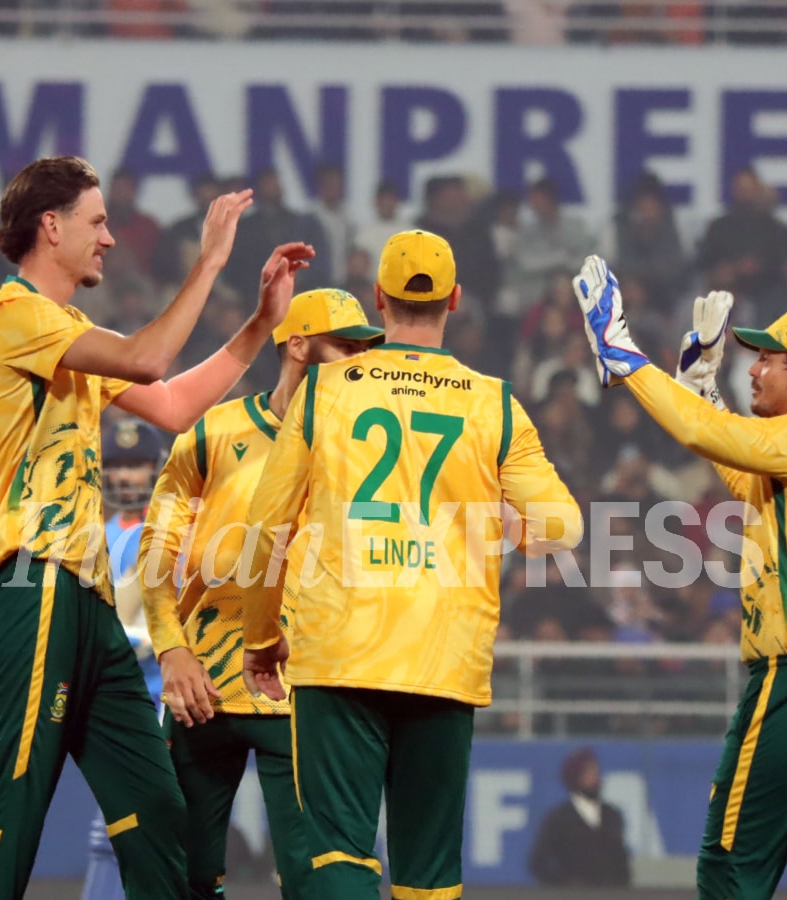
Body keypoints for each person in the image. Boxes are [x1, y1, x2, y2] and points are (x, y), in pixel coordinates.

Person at [0, 154, 309, 900]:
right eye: (97, 222)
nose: (110, 238)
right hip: (33, 582)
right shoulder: (12, 315)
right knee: (14, 803)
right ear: (50, 227)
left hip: (84, 599)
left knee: (158, 811)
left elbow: (173, 407)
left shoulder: (67, 332)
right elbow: (148, 361)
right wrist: (209, 261)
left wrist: (259, 326)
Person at [241, 231, 583, 899]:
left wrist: (260, 637)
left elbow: (265, 527)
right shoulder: (493, 402)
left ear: (379, 298)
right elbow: (562, 526)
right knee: (428, 876)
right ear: (455, 300)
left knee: (339, 857)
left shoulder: (324, 390)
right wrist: (492, 522)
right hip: (443, 654)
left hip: (340, 648)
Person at [571, 256, 787, 899]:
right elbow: (742, 469)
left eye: (769, 358)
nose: (755, 368)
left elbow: (703, 433)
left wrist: (622, 353)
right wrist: (702, 387)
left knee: (729, 864)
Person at [141, 288, 383, 899]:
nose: (359, 363)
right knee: (184, 877)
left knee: (313, 879)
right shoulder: (213, 432)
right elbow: (157, 551)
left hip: (306, 693)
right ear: (298, 346)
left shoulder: (370, 449)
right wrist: (171, 648)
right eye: (346, 348)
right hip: (203, 688)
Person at [82, 417, 169, 900]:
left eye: (137, 464)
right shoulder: (96, 536)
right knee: (115, 821)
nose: (127, 476)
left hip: (165, 697)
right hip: (112, 695)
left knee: (138, 821)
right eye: (117, 465)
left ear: (155, 468)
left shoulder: (175, 529)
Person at [527, 746, 631, 887]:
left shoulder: (611, 815)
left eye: (596, 770)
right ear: (576, 777)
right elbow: (538, 863)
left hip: (609, 892)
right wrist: (564, 885)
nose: (596, 777)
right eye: (589, 772)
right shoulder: (559, 819)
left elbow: (620, 860)